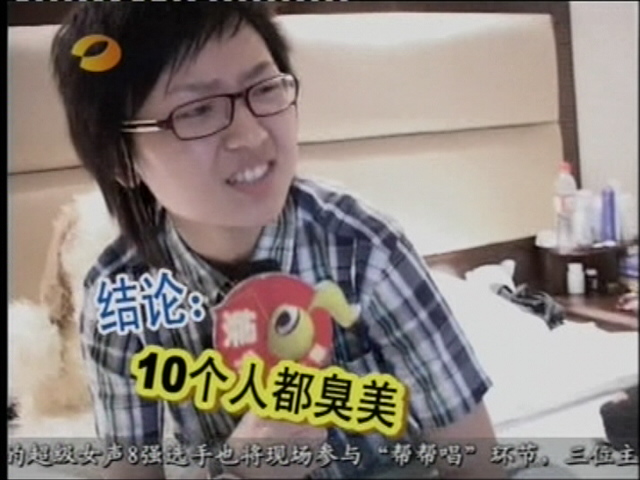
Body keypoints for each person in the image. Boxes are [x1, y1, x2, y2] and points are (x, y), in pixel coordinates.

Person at [51, 4, 506, 479]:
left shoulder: (363, 250)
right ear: (121, 160)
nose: (251, 135)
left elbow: (477, 467)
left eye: (265, 89)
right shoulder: (124, 298)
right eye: (198, 110)